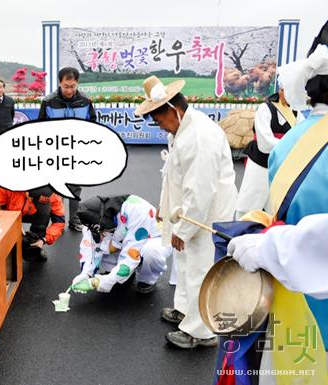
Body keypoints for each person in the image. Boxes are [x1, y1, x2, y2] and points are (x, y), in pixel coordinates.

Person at [224, 30, 328, 384]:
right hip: (259, 170)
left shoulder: (302, 131)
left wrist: (266, 245)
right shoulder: (270, 110)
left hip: (295, 300)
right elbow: (265, 140)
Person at [136, 75, 237, 349]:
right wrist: (165, 207)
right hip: (188, 210)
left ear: (173, 110)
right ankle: (185, 311)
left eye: (159, 121)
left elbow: (200, 191)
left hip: (205, 215)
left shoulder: (199, 137)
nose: (160, 128)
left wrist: (184, 228)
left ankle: (200, 331)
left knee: (200, 269)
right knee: (185, 264)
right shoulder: (181, 129)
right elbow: (174, 175)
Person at [70, 195, 170, 294]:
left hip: (152, 238)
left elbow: (131, 255)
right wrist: (85, 274)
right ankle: (116, 272)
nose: (100, 233)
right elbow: (89, 248)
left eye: (101, 229)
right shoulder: (92, 221)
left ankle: (147, 279)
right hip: (127, 240)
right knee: (104, 242)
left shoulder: (138, 212)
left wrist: (104, 281)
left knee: (151, 252)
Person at [38, 67, 96, 232]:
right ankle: (59, 220)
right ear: (59, 83)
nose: (69, 90)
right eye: (66, 86)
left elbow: (92, 124)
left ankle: (74, 219)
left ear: (77, 83)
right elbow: (40, 126)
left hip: (77, 150)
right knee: (57, 186)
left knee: (75, 186)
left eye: (73, 86)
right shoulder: (48, 101)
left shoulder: (85, 101)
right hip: (55, 151)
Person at [235, 87, 303, 218]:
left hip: (281, 164)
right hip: (260, 162)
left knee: (275, 206)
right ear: (281, 91)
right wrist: (290, 146)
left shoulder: (297, 113)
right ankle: (241, 233)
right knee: (250, 203)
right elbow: (265, 143)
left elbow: (302, 136)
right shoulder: (265, 108)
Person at [0, 185, 65, 262]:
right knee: (7, 239)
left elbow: (59, 222)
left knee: (46, 209)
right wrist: (16, 227)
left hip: (33, 213)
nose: (42, 197)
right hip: (11, 213)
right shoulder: (5, 186)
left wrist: (44, 239)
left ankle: (35, 243)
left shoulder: (52, 194)